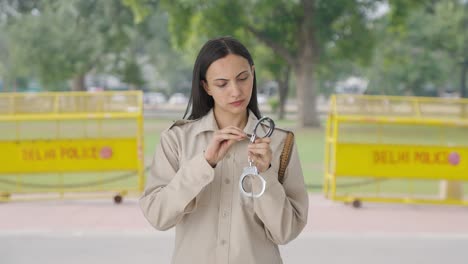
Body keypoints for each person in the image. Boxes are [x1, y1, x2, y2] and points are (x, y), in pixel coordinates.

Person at [139, 36, 309, 264]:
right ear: (206, 86)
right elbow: (158, 216)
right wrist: (204, 164)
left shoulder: (280, 143)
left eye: (243, 78)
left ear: (253, 73)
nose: (236, 91)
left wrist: (265, 172)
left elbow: (286, 232)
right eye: (222, 83)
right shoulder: (177, 139)